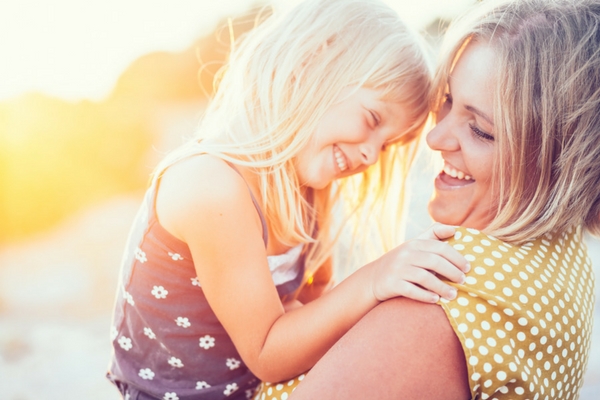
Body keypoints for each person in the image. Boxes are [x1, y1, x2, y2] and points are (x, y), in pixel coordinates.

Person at [105, 0, 471, 399]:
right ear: (309, 65)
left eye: (385, 147)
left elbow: (314, 298)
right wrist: (375, 278)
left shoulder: (310, 189)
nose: (369, 155)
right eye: (372, 120)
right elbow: (267, 351)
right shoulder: (211, 185)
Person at [254, 0, 600, 399]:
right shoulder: (562, 253)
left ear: (563, 160)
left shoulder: (444, 289)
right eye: (448, 102)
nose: (434, 140)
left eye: (481, 131)